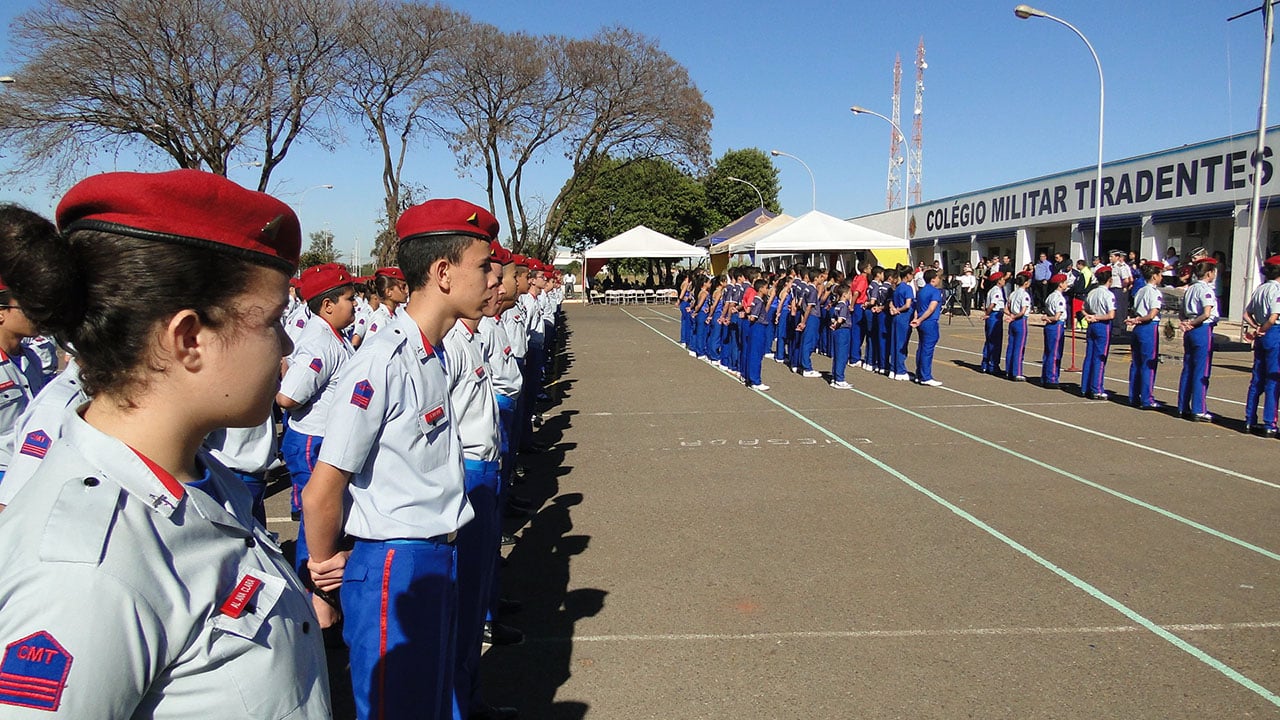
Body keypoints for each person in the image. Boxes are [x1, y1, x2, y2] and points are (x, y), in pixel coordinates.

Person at [0, 171, 330, 717]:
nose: (290, 342)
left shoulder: (202, 479)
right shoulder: (84, 571)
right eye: (273, 319)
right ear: (189, 339)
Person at [302, 198, 500, 720]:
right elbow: (323, 487)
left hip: (436, 554)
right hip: (397, 562)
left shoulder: (430, 352)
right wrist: (324, 574)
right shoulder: (382, 361)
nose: (492, 280)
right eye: (483, 266)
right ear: (443, 273)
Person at [275, 261, 356, 620]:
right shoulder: (320, 343)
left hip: (324, 439)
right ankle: (314, 608)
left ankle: (321, 602)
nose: (355, 305)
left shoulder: (332, 338)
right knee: (317, 521)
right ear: (327, 305)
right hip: (312, 440)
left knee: (327, 520)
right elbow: (288, 397)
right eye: (349, 299)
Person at [1178, 257, 1220, 422]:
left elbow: (1182, 311)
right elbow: (1207, 313)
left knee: (1188, 368)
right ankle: (1198, 408)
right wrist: (1193, 323)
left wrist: (1186, 322)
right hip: (1201, 328)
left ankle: (1183, 406)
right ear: (1209, 273)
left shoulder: (1190, 289)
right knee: (1201, 370)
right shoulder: (1205, 290)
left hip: (1190, 329)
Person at [1243, 255, 1280, 437]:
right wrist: (1263, 329)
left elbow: (1246, 314)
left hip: (1262, 333)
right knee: (1273, 379)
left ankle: (1250, 419)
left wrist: (1256, 327)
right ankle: (1269, 422)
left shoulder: (1260, 289)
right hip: (1273, 332)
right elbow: (1274, 317)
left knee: (1257, 377)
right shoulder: (1277, 289)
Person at [1126, 261, 1166, 409]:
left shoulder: (1140, 290)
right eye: (1160, 274)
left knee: (1136, 363)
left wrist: (1136, 319)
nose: (1161, 277)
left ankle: (1134, 396)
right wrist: (1139, 319)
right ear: (1155, 276)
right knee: (1149, 363)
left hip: (1138, 328)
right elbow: (1152, 314)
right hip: (1148, 327)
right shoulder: (1154, 292)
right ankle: (1147, 398)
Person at [1081, 266, 1116, 400]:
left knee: (1089, 355)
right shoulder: (1108, 294)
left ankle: (1085, 387)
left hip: (1092, 324)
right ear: (1109, 280)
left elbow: (1083, 308)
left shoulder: (1092, 293)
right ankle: (1097, 388)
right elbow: (1111, 314)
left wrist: (1089, 316)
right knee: (1100, 357)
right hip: (1102, 324)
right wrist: (1096, 317)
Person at [911, 269, 943, 387]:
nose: (939, 279)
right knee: (927, 349)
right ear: (933, 279)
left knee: (922, 347)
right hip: (929, 321)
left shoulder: (921, 291)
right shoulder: (935, 291)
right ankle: (926, 376)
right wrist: (920, 319)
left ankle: (919, 374)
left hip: (922, 322)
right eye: (938, 277)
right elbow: (931, 309)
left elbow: (917, 307)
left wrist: (917, 318)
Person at [1041, 273, 1070, 389]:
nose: (1066, 284)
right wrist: (1048, 318)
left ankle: (1045, 376)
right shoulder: (1059, 298)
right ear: (1060, 284)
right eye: (1065, 282)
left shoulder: (1050, 296)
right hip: (1056, 325)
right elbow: (1057, 316)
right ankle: (1052, 378)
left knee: (1048, 352)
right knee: (1055, 353)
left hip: (1049, 327)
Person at [1004, 272, 1033, 381]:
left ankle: (1009, 370)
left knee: (1011, 346)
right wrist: (1014, 316)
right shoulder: (1024, 295)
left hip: (1013, 321)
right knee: (1019, 347)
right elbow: (1023, 311)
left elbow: (1006, 308)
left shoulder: (1013, 293)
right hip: (1020, 320)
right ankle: (1017, 372)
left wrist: (1010, 315)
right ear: (1025, 283)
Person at [888, 265, 915, 381]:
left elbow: (892, 302)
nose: (912, 276)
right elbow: (908, 305)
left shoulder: (897, 288)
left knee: (894, 342)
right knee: (901, 344)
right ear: (907, 275)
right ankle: (900, 370)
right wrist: (898, 310)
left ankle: (893, 368)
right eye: (911, 274)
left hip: (896, 318)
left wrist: (893, 309)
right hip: (904, 317)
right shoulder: (907, 288)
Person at [980, 271, 1007, 374]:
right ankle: (993, 365)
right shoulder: (997, 291)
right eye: (1003, 279)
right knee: (995, 342)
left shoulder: (992, 290)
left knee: (989, 340)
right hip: (994, 316)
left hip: (994, 314)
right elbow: (992, 305)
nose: (1004, 281)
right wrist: (987, 313)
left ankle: (985, 364)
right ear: (999, 281)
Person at [828, 282, 853, 389]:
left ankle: (834, 377)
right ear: (844, 295)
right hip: (843, 331)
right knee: (842, 355)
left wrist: (834, 325)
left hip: (837, 332)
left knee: (837, 355)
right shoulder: (843, 306)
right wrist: (836, 324)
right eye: (849, 293)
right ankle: (839, 379)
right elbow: (840, 319)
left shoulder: (836, 306)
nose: (850, 295)